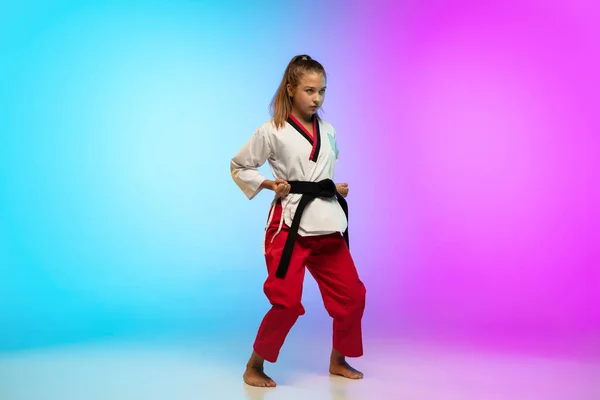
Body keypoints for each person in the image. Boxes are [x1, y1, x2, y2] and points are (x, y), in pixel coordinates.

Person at [230, 54, 366, 388]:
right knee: (287, 303)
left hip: (326, 221)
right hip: (288, 225)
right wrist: (267, 183)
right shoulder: (271, 130)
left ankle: (338, 360)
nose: (317, 98)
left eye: (322, 91)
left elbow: (319, 173)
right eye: (309, 90)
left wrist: (333, 187)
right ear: (291, 90)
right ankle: (255, 365)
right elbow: (239, 166)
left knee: (353, 296)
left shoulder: (329, 130)